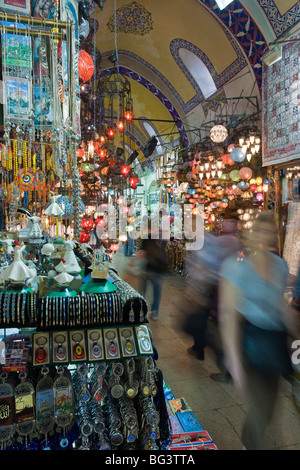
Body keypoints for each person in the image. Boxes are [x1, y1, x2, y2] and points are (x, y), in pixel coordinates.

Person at [218, 212, 294, 450]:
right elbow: (228, 314)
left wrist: (296, 338)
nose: (265, 235)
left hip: (276, 341)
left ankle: (250, 442)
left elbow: (281, 308)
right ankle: (252, 444)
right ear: (251, 233)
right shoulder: (236, 265)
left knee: (271, 404)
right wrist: (234, 360)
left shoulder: (280, 265)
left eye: (269, 230)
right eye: (260, 230)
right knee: (260, 406)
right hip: (250, 341)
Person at [138, 230, 168, 320]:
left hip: (148, 268)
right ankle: (154, 312)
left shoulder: (147, 238)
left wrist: (134, 262)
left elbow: (142, 254)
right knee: (157, 291)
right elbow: (165, 252)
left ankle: (141, 310)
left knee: (143, 290)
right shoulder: (162, 239)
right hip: (158, 269)